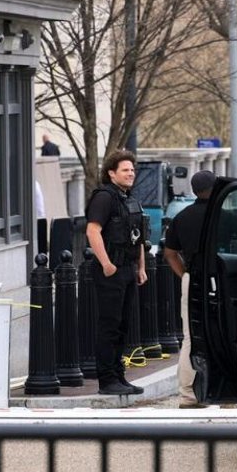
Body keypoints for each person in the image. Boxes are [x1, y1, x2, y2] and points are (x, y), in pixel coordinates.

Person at [163, 171, 237, 408]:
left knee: (191, 336)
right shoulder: (225, 217)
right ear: (216, 189)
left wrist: (185, 274)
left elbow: (169, 253)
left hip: (193, 279)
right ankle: (228, 387)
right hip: (220, 280)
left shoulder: (182, 217)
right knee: (225, 331)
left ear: (194, 190)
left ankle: (188, 394)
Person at [86, 150, 148, 396]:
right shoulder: (104, 197)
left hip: (128, 269)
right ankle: (107, 379)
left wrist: (141, 267)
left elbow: (138, 236)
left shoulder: (128, 198)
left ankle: (118, 376)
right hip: (111, 271)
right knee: (109, 325)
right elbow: (92, 231)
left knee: (123, 325)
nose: (130, 173)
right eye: (125, 170)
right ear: (111, 173)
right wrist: (106, 264)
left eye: (132, 170)